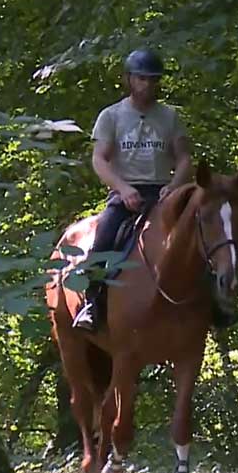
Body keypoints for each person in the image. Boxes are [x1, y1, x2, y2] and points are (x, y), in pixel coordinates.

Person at [72, 48, 193, 331]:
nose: (148, 85)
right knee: (103, 239)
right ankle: (92, 303)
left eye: (153, 80)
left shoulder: (170, 117)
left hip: (163, 192)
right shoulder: (111, 116)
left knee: (201, 231)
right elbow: (99, 159)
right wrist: (123, 189)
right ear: (129, 79)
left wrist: (174, 186)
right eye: (142, 79)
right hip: (126, 193)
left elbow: (185, 158)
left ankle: (215, 302)